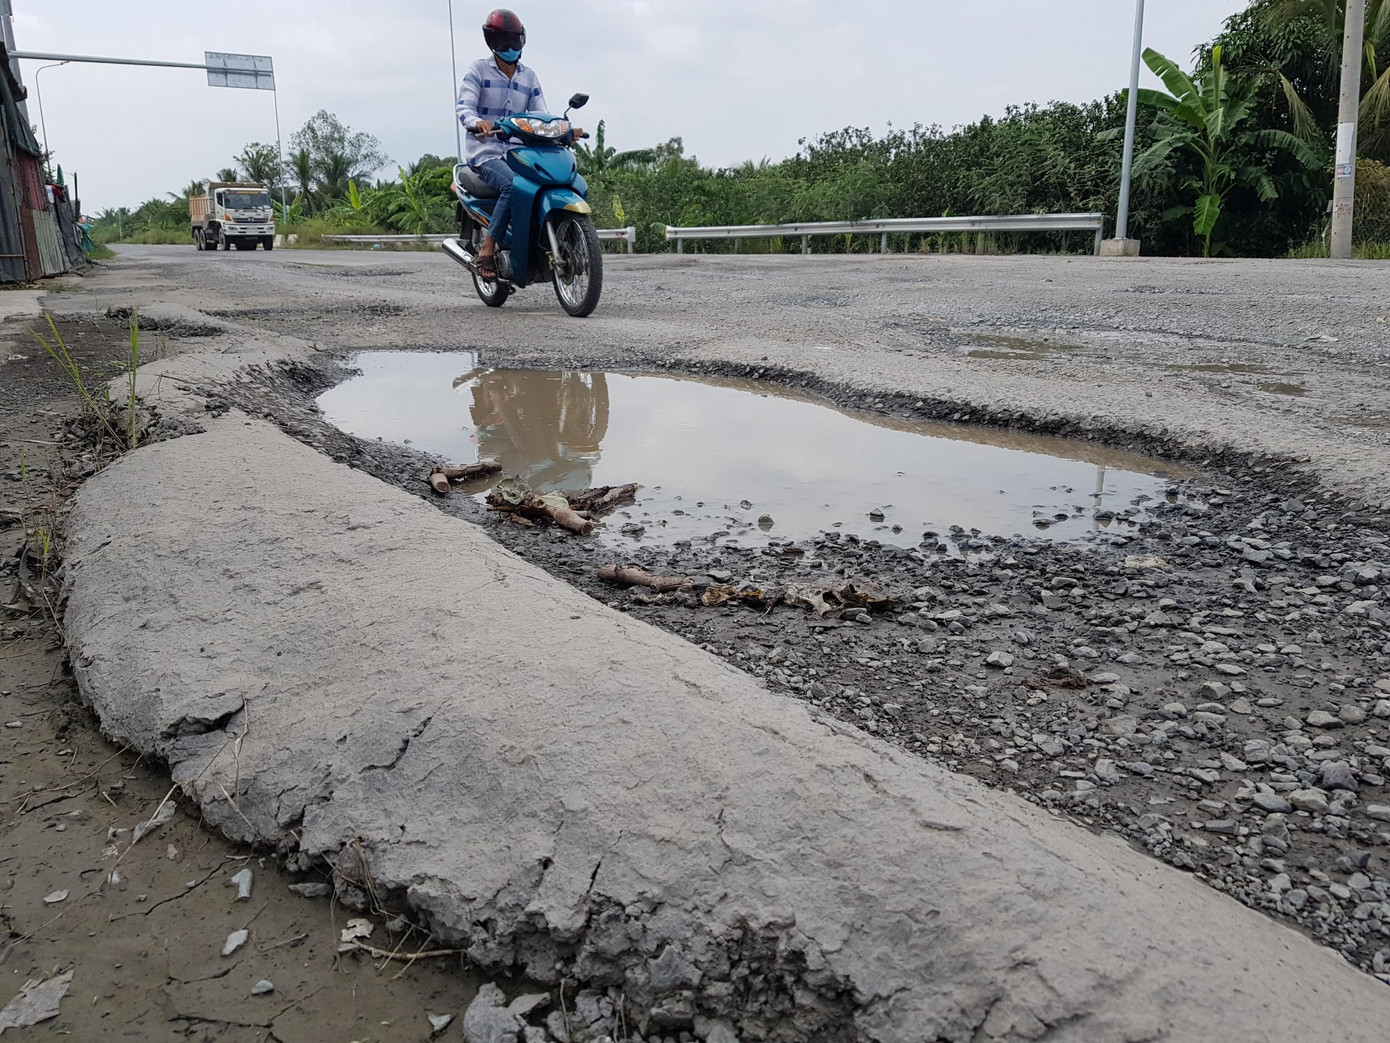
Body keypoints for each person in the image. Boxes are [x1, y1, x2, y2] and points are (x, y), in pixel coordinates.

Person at [456, 9, 583, 280]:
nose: (511, 48)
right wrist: (477, 123)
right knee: (513, 185)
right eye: (505, 42)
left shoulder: (529, 77)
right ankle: (488, 249)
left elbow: (541, 115)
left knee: (556, 180)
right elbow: (464, 107)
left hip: (522, 152)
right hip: (487, 152)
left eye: (515, 41)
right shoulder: (477, 71)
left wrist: (565, 130)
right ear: (492, 42)